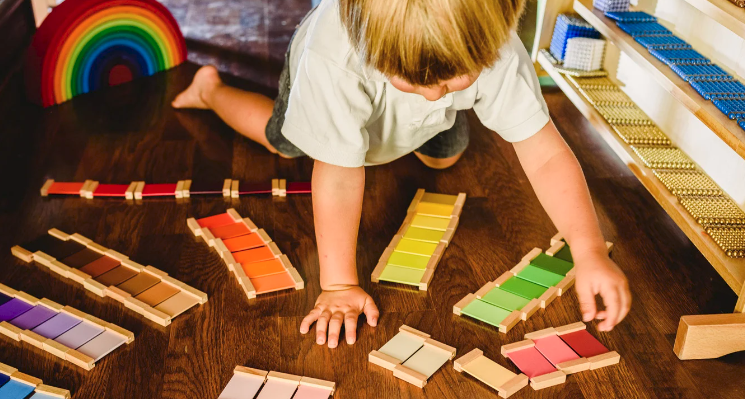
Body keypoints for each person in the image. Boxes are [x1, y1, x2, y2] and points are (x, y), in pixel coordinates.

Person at [172, 0, 631, 348]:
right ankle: (210, 90)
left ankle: (419, 117)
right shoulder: (332, 58)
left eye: (454, 80)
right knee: (285, 143)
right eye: (412, 81)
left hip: (406, 103)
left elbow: (546, 154)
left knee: (444, 157)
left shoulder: (496, 48)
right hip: (334, 85)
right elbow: (336, 175)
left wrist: (588, 248)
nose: (432, 96)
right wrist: (338, 286)